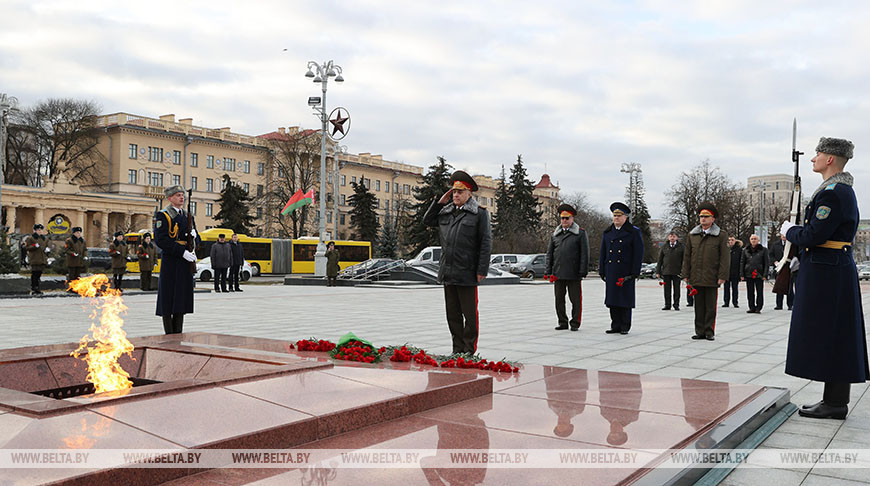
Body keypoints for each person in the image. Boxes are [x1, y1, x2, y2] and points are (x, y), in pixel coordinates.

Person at [779, 137, 868, 419]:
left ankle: (836, 402)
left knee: (833, 332)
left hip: (826, 269)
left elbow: (815, 234)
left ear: (830, 159)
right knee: (836, 333)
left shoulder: (833, 192)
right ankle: (835, 401)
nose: (813, 157)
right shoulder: (837, 190)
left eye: (818, 153)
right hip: (829, 266)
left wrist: (789, 231)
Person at [423, 170, 492, 354]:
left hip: (468, 271)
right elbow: (427, 220)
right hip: (448, 271)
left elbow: (485, 243)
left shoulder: (479, 214)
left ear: (469, 193)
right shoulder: (446, 213)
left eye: (460, 192)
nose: (456, 195)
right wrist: (439, 202)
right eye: (453, 192)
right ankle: (457, 348)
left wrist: (482, 269)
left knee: (469, 315)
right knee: (452, 315)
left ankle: (469, 350)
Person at [155, 185, 200, 334]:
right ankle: (169, 332)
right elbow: (161, 240)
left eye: (182, 195)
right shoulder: (164, 215)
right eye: (178, 195)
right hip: (171, 261)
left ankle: (178, 331)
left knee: (181, 297)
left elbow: (198, 239)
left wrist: (194, 237)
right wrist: (181, 252)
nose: (182, 197)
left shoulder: (188, 216)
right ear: (170, 198)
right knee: (169, 298)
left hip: (184, 262)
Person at [682, 202, 729, 341]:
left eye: (706, 216)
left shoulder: (721, 235)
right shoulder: (693, 235)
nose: (703, 219)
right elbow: (687, 256)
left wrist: (722, 276)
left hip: (711, 276)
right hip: (696, 276)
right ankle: (699, 331)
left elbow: (725, 258)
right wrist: (685, 274)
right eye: (701, 216)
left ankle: (709, 331)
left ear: (713, 219)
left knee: (710, 306)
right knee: (698, 306)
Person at [599, 202, 643, 335]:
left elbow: (638, 253)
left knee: (624, 299)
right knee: (612, 299)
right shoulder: (608, 232)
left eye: (619, 216)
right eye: (614, 216)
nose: (616, 218)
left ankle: (625, 325)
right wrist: (602, 269)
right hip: (611, 269)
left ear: (626, 217)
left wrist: (635, 272)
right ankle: (615, 324)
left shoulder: (633, 232)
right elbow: (603, 252)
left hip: (625, 271)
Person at [545, 203, 589, 331]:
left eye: (567, 218)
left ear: (572, 219)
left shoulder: (580, 234)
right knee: (559, 300)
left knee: (575, 300)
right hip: (558, 272)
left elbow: (584, 254)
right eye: (562, 218)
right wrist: (548, 270)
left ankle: (575, 322)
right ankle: (562, 322)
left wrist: (583, 271)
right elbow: (550, 254)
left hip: (574, 273)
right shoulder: (555, 234)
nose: (564, 220)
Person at [656, 231, 684, 311]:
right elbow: (660, 260)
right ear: (668, 237)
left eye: (674, 236)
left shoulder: (681, 247)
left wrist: (684, 270)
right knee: (667, 290)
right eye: (671, 236)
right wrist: (658, 271)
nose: (672, 238)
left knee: (677, 289)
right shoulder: (664, 247)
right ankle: (667, 304)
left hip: (677, 272)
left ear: (676, 238)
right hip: (666, 271)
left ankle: (676, 304)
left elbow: (685, 260)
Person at [742, 234, 770, 314]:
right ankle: (751, 307)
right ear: (750, 240)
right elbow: (742, 262)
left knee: (759, 292)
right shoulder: (746, 250)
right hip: (749, 273)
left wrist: (765, 274)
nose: (753, 240)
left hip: (759, 273)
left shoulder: (764, 250)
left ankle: (758, 307)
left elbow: (766, 263)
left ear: (758, 240)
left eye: (755, 239)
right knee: (750, 292)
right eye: (752, 239)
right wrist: (742, 274)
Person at [24, 224, 49, 295]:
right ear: (35, 230)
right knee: (35, 274)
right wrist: (34, 246)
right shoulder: (30, 238)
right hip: (34, 258)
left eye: (41, 230)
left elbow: (47, 245)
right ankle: (34, 288)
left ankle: (37, 287)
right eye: (38, 230)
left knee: (39, 274)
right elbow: (26, 247)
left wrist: (48, 249)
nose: (40, 231)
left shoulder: (44, 238)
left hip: (42, 258)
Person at [771, 234, 794, 310]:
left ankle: (790, 304)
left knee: (789, 287)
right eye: (782, 235)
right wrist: (775, 262)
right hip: (779, 267)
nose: (784, 236)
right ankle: (779, 304)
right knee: (779, 285)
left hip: (789, 267)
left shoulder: (792, 244)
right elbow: (771, 255)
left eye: (785, 235)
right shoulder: (775, 244)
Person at [723, 236, 743, 308]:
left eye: (732, 240)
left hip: (735, 271)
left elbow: (741, 261)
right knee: (726, 288)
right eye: (729, 240)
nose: (730, 241)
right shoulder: (725, 249)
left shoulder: (739, 250)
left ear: (735, 241)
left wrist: (741, 273)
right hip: (726, 272)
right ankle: (726, 302)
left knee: (735, 288)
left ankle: (735, 302)